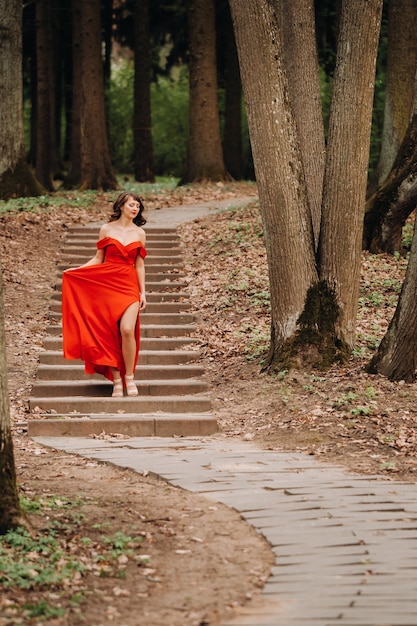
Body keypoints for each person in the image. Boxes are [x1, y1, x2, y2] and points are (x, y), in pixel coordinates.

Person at [62, 191, 147, 397]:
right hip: (106, 285)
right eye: (131, 205)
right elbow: (98, 258)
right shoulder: (106, 229)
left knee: (127, 329)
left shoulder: (140, 233)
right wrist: (77, 271)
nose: (135, 208)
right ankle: (117, 380)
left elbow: (139, 264)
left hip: (128, 285)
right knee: (108, 332)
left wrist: (143, 292)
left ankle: (130, 377)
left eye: (137, 205)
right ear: (120, 207)